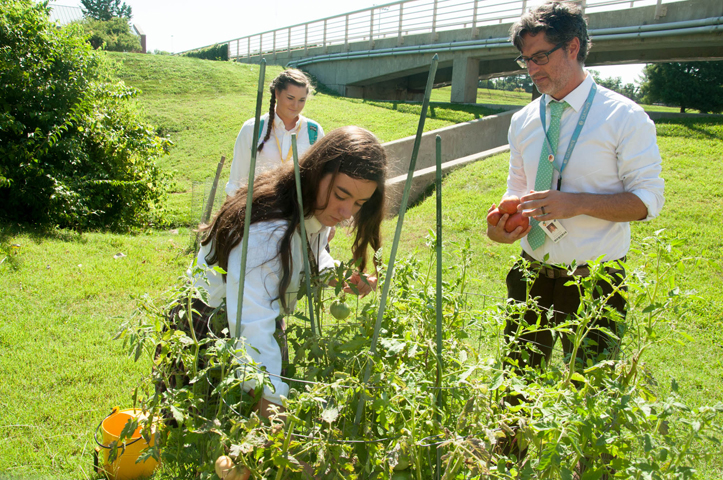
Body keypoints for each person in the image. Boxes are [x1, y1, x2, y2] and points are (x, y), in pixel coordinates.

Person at [487, 2, 664, 374]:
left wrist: (577, 203)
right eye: (525, 60)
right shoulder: (522, 121)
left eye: (540, 57)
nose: (532, 70)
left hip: (594, 283)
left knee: (590, 391)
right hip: (531, 273)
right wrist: (506, 223)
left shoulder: (624, 117)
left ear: (572, 47)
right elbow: (516, 188)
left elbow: (647, 202)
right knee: (516, 382)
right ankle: (509, 435)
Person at [197, 126, 387, 417]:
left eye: (359, 203)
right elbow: (252, 323)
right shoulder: (268, 231)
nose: (347, 212)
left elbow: (309, 252)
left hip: (252, 322)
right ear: (316, 171)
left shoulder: (308, 205)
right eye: (341, 195)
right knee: (209, 431)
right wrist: (272, 406)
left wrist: (333, 273)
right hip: (210, 328)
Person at [225, 69, 325, 197]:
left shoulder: (314, 132)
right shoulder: (252, 129)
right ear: (277, 93)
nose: (295, 105)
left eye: (301, 100)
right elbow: (235, 184)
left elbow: (318, 181)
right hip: (259, 211)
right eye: (290, 98)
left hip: (297, 213)